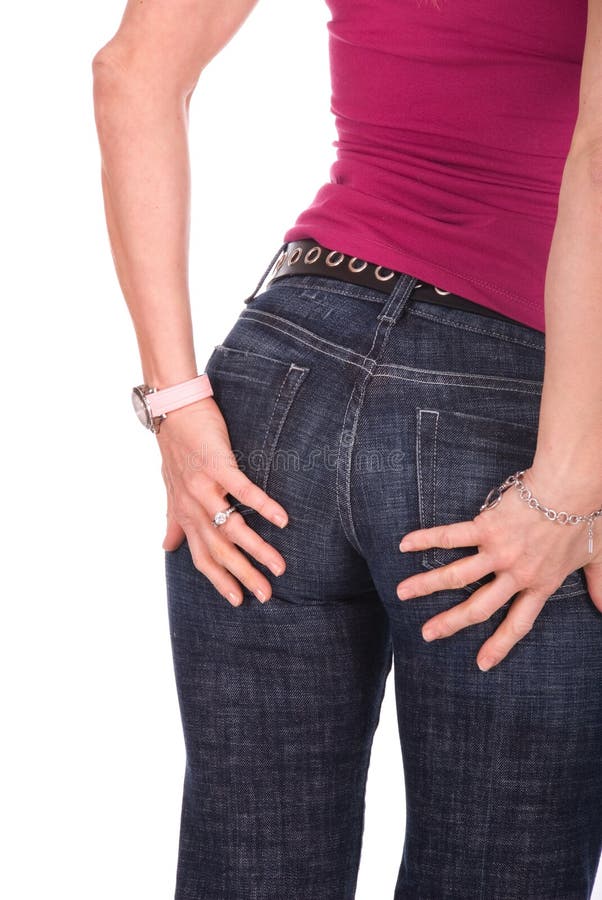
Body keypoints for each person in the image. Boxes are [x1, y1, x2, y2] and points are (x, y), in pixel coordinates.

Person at [92, 1, 602, 897]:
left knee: (251, 868)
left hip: (280, 372)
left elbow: (131, 70)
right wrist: (570, 481)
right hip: (517, 409)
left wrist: (175, 404)